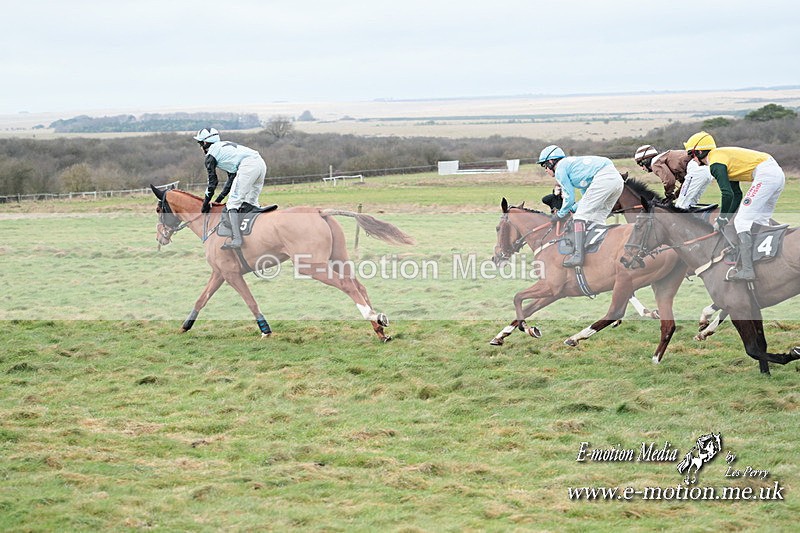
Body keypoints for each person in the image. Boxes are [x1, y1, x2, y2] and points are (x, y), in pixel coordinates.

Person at [684, 131, 785, 281]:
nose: (690, 158)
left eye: (690, 154)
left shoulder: (715, 164)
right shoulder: (720, 158)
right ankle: (763, 261)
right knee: (761, 221)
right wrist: (725, 219)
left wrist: (722, 218)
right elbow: (736, 194)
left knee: (741, 221)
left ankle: (747, 270)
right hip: (775, 173)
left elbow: (727, 195)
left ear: (699, 152)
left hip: (766, 175)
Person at [538, 145, 624, 267]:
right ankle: (601, 253)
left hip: (604, 179)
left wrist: (560, 215)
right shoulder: (576, 169)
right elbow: (585, 198)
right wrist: (572, 208)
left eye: (544, 166)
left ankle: (578, 255)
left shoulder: (560, 169)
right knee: (597, 219)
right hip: (617, 181)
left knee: (580, 216)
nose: (545, 170)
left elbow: (569, 196)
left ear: (551, 162)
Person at [194, 128, 268, 250]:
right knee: (251, 203)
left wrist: (205, 203)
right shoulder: (223, 148)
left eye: (200, 143)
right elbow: (230, 181)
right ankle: (257, 236)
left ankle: (237, 239)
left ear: (205, 143)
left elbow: (212, 183)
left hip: (247, 166)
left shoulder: (210, 155)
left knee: (233, 204)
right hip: (260, 163)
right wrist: (218, 200)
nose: (200, 146)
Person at [634, 144, 713, 209]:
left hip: (697, 170)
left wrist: (668, 194)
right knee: (690, 204)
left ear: (645, 160)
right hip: (707, 170)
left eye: (641, 164)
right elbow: (685, 184)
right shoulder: (664, 159)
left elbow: (669, 180)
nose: (642, 168)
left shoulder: (655, 163)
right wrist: (674, 196)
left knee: (680, 207)